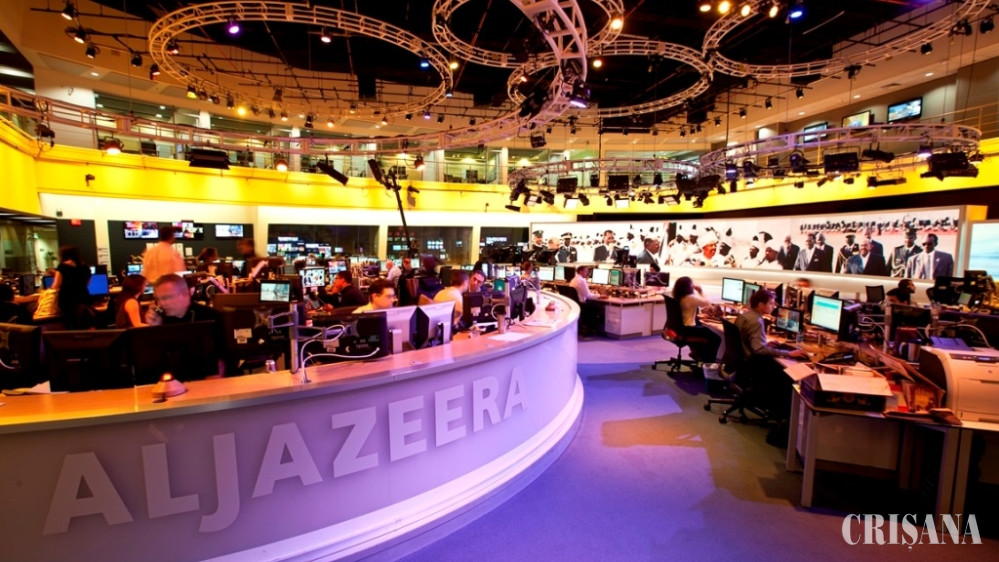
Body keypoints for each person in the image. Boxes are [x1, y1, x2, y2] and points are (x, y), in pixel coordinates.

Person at [735, 289, 808, 444]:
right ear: (761, 305)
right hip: (752, 365)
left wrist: (766, 344)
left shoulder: (746, 316)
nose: (773, 306)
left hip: (744, 362)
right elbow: (759, 350)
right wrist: (789, 353)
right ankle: (782, 416)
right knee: (789, 376)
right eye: (771, 303)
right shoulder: (757, 321)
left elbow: (754, 345)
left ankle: (779, 414)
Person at [671, 276, 721, 363]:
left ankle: (696, 352)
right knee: (715, 338)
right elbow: (707, 303)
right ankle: (708, 363)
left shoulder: (678, 296)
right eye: (691, 284)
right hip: (688, 329)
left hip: (681, 329)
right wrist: (700, 291)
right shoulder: (690, 298)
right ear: (688, 287)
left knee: (705, 329)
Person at [145, 273, 221, 325]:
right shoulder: (161, 320)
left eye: (167, 297)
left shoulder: (210, 317)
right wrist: (156, 328)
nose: (161, 303)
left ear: (185, 294)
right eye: (158, 299)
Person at [51, 245, 93, 329]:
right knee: (83, 322)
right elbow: (87, 283)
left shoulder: (62, 267)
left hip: (67, 301)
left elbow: (55, 286)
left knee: (70, 325)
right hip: (83, 298)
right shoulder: (85, 267)